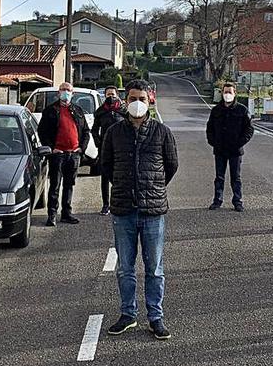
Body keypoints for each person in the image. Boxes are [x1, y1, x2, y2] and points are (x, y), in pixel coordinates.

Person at [100, 80, 179, 340]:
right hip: (123, 209)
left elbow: (171, 165)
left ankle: (156, 316)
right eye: (133, 97)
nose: (137, 103)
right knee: (125, 267)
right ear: (125, 99)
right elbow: (107, 165)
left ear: (150, 100)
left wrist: (152, 186)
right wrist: (125, 185)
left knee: (154, 268)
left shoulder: (162, 132)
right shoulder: (114, 132)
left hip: (152, 210)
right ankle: (128, 314)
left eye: (142, 98)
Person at [37, 81, 90, 226]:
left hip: (73, 155)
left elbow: (86, 131)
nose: (65, 92)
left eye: (68, 90)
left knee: (69, 185)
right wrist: (51, 148)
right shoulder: (50, 110)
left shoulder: (78, 110)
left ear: (73, 94)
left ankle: (66, 214)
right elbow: (42, 131)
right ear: (58, 92)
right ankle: (52, 215)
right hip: (57, 155)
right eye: (63, 89)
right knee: (55, 185)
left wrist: (81, 148)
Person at [205, 82, 254, 211]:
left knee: (236, 178)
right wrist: (213, 142)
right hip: (220, 149)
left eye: (229, 92)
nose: (227, 95)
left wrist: (240, 142)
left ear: (234, 93)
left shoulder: (242, 110)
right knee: (219, 177)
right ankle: (217, 201)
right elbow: (209, 128)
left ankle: (237, 201)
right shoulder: (216, 110)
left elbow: (249, 129)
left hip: (235, 150)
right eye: (225, 92)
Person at [92, 86, 127, 215]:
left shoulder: (123, 111)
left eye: (112, 94)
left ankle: (120, 203)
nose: (110, 97)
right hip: (105, 149)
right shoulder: (101, 111)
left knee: (121, 176)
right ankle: (106, 204)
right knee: (105, 177)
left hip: (121, 149)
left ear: (117, 95)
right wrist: (98, 142)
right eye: (107, 95)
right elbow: (94, 129)